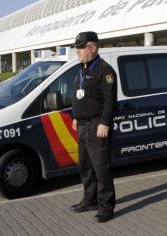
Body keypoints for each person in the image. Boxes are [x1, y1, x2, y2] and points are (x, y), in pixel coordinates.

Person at [69, 31, 117, 223]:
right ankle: (90, 200)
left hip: (97, 124)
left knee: (101, 168)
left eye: (81, 48)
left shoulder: (104, 70)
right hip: (82, 125)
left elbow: (110, 100)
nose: (78, 52)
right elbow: (83, 97)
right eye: (77, 48)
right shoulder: (83, 69)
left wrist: (105, 122)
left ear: (93, 47)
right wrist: (76, 117)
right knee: (85, 166)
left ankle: (106, 206)